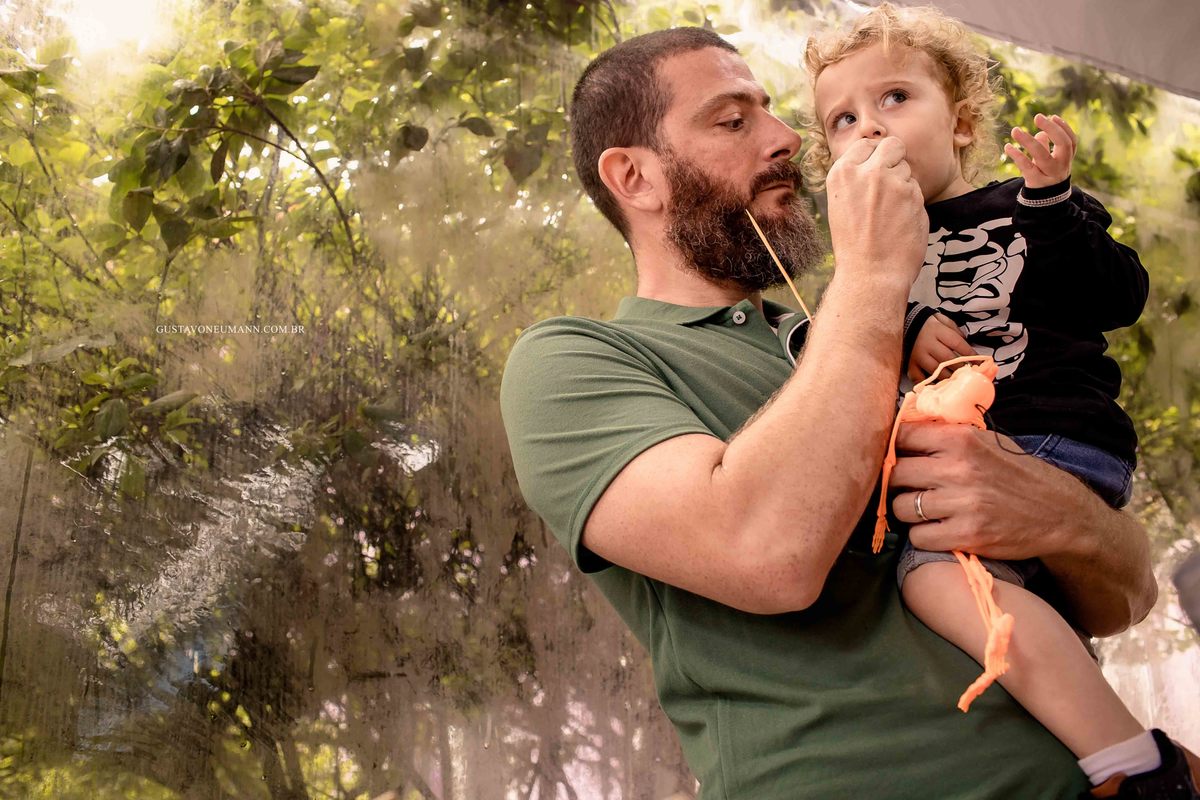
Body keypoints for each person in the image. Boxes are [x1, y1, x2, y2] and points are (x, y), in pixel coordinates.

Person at [500, 25, 1161, 800]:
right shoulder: (572, 362)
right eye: (733, 120)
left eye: (774, 113)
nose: (788, 140)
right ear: (635, 177)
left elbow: (1125, 599)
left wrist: (1065, 516)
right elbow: (767, 556)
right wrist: (878, 272)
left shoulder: (864, 328)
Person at [803, 6, 1200, 797]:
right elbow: (844, 369)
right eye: (842, 119)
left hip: (1054, 434)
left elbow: (1120, 296)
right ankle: (1075, 749)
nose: (869, 128)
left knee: (931, 576)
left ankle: (1133, 764)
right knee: (1003, 602)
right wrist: (903, 315)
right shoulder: (863, 261)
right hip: (974, 453)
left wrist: (1055, 205)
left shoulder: (1031, 208)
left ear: (961, 122)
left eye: (893, 99)